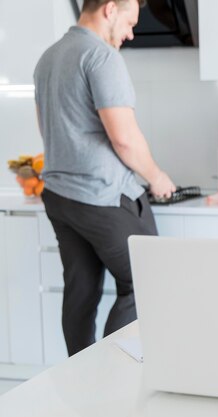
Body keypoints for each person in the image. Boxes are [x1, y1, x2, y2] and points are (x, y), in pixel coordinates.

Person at [33, 0, 176, 356]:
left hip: (60, 196)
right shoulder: (101, 56)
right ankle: (111, 376)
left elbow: (45, 129)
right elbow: (124, 138)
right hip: (103, 197)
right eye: (129, 22)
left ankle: (80, 384)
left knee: (81, 291)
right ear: (110, 9)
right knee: (148, 281)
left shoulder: (48, 58)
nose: (130, 33)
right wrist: (157, 178)